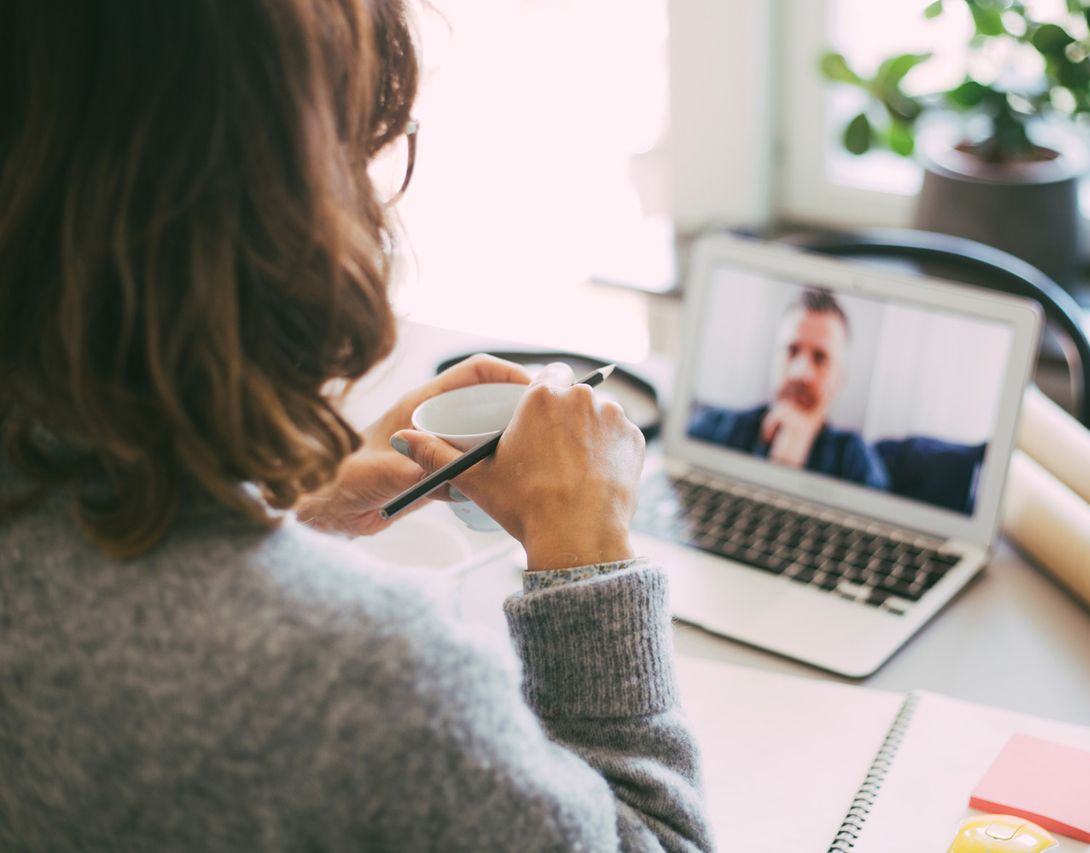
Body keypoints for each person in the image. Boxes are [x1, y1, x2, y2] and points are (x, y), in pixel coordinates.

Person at [0, 2, 711, 851]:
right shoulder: (366, 681)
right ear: (273, 206)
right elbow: (655, 839)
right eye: (359, 150)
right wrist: (588, 562)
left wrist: (284, 500)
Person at [689, 287, 889, 489]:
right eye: (792, 351)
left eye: (820, 358)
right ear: (774, 359)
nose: (801, 373)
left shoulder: (856, 461)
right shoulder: (715, 428)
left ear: (841, 378)